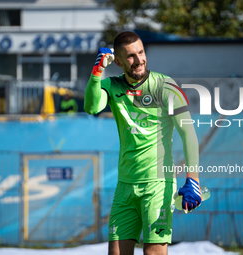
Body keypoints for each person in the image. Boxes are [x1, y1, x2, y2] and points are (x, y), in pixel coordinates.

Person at [84, 31, 201, 255]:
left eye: (141, 52)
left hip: (158, 184)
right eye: (130, 56)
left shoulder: (166, 86)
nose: (139, 60)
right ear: (117, 61)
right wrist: (97, 73)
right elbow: (91, 107)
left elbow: (188, 133)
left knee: (153, 252)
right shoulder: (111, 85)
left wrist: (192, 178)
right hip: (125, 186)